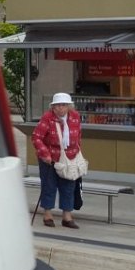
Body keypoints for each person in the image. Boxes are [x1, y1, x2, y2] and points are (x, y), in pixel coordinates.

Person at [33, 92, 83, 229]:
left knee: (68, 187)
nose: (61, 108)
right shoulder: (47, 118)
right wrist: (45, 154)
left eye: (64, 105)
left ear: (69, 107)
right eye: (58, 106)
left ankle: (67, 217)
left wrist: (78, 153)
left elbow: (78, 135)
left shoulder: (75, 117)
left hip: (69, 158)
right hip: (50, 158)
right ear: (53, 107)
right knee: (49, 186)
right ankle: (48, 214)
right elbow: (36, 137)